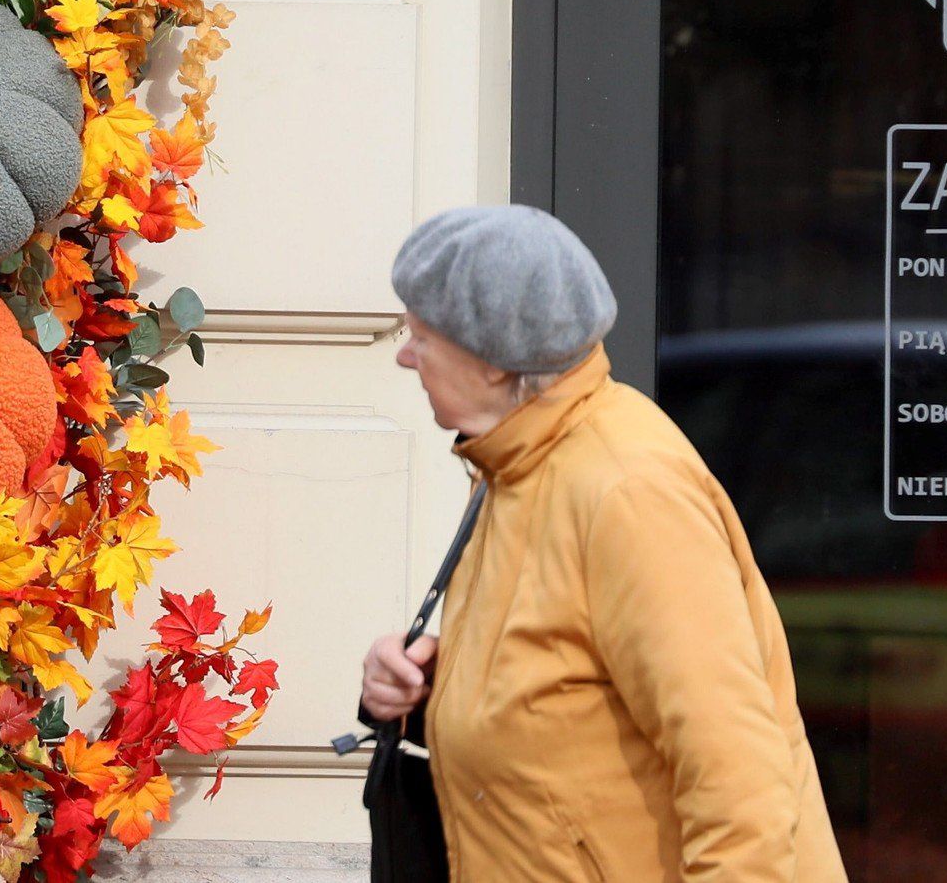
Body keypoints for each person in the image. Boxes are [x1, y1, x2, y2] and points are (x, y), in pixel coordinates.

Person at [359, 204, 845, 883]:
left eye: (421, 337)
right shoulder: (519, 459)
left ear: (493, 362)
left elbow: (740, 782)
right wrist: (432, 689)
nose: (406, 355)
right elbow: (567, 685)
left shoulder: (628, 493)